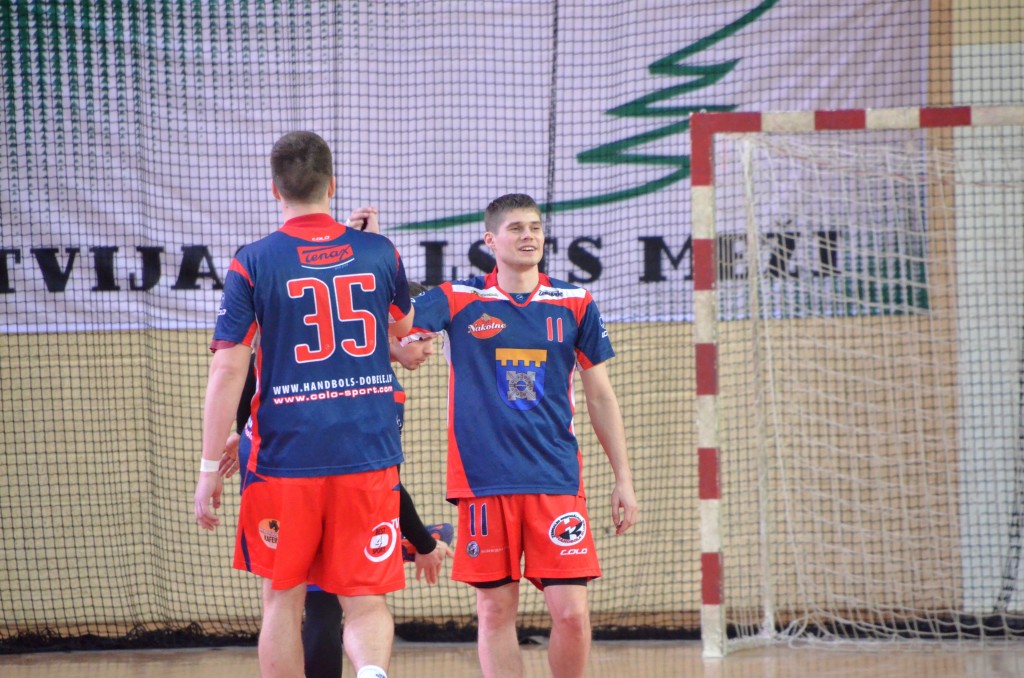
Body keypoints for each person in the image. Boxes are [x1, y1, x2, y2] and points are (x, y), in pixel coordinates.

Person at [193, 131, 414, 678]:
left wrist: (208, 467)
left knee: (282, 601)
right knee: (365, 599)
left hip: (285, 457)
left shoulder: (253, 261)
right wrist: (368, 249)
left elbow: (228, 369)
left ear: (275, 189)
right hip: (366, 451)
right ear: (332, 185)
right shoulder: (380, 252)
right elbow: (402, 330)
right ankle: (372, 673)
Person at [394, 193, 639, 678]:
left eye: (535, 227)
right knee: (494, 611)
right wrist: (373, 248)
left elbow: (600, 396)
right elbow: (389, 319)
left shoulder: (574, 302)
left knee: (572, 614)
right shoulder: (457, 298)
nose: (529, 236)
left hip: (555, 479)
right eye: (516, 228)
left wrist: (623, 479)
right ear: (490, 240)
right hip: (484, 482)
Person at [221, 282, 452, 678]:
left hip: (282, 483)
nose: (429, 349)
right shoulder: (381, 391)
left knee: (291, 601)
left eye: (434, 339)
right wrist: (424, 541)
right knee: (340, 602)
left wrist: (242, 430)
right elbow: (387, 483)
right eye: (422, 337)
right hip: (327, 490)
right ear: (390, 326)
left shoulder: (292, 352)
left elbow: (247, 368)